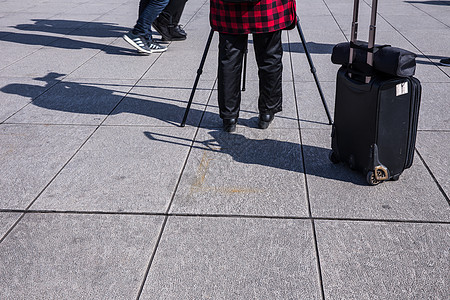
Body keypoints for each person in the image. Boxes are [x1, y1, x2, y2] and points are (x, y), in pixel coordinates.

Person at [210, 0, 296, 132]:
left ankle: (229, 117)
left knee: (229, 60)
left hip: (229, 9)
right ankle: (267, 112)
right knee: (270, 57)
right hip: (267, 7)